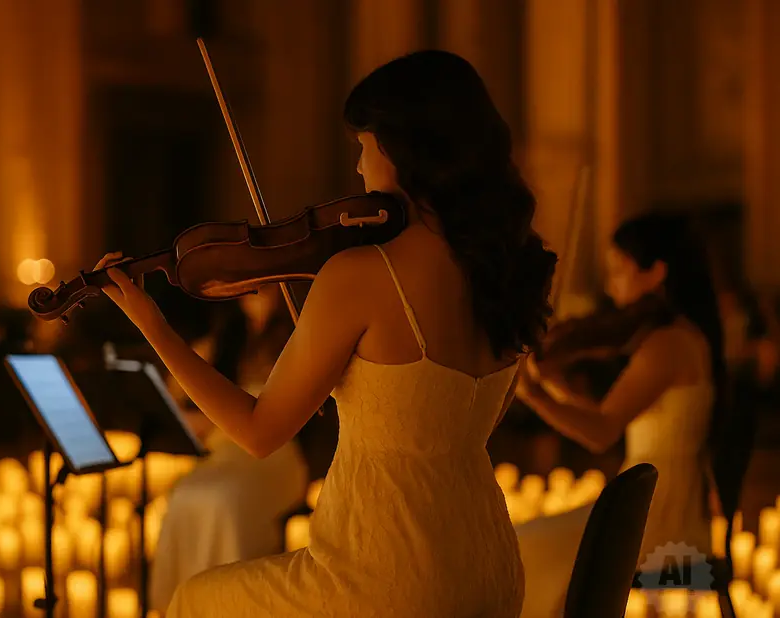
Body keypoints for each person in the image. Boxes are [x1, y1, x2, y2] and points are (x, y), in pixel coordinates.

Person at [91, 50, 556, 617]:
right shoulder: (509, 270)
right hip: (490, 570)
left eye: (364, 146)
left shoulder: (362, 274)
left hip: (385, 578)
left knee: (195, 599)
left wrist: (154, 327)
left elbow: (258, 433)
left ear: (401, 149)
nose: (358, 168)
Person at [514, 214, 726, 617]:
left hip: (657, 514)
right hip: (652, 498)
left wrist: (535, 395)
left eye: (618, 271)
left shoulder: (669, 345)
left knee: (526, 546)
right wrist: (553, 385)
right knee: (532, 542)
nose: (610, 286)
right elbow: (606, 414)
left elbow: (603, 431)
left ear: (655, 273)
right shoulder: (679, 337)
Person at [150, 284, 309, 612]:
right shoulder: (227, 338)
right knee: (184, 495)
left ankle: (229, 604)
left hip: (275, 455)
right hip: (223, 454)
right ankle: (190, 603)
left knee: (225, 500)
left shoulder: (297, 334)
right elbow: (182, 390)